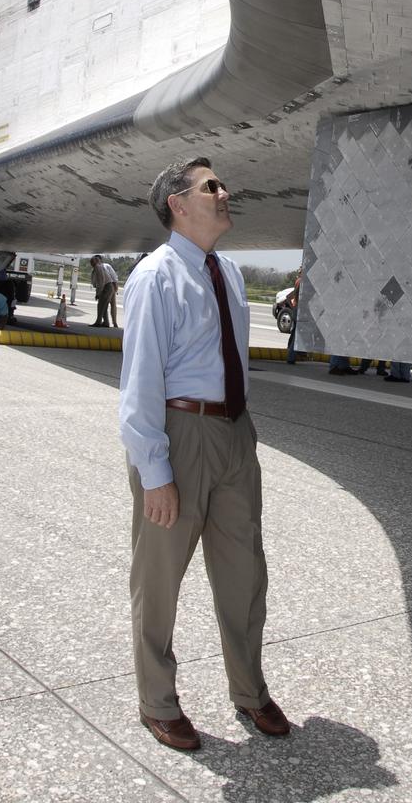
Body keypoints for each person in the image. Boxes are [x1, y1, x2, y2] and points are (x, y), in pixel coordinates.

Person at [120, 156, 288, 752]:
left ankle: (250, 690)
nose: (225, 192)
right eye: (211, 186)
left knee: (245, 576)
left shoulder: (231, 274)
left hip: (235, 435)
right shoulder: (156, 276)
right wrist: (155, 474)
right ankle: (157, 702)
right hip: (180, 435)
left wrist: (243, 436)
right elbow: (139, 384)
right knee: (159, 580)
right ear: (178, 204)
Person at [89, 254, 115, 326]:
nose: (91, 263)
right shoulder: (97, 267)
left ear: (95, 262)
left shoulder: (98, 267)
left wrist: (98, 293)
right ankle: (106, 323)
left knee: (101, 305)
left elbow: (101, 281)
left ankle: (98, 322)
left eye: (92, 262)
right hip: (108, 287)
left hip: (106, 287)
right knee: (104, 306)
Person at [102, 259, 119, 326]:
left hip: (108, 285)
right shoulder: (106, 265)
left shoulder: (103, 266)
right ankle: (114, 322)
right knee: (113, 305)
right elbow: (114, 276)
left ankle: (107, 322)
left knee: (104, 305)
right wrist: (116, 286)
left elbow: (114, 276)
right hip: (111, 285)